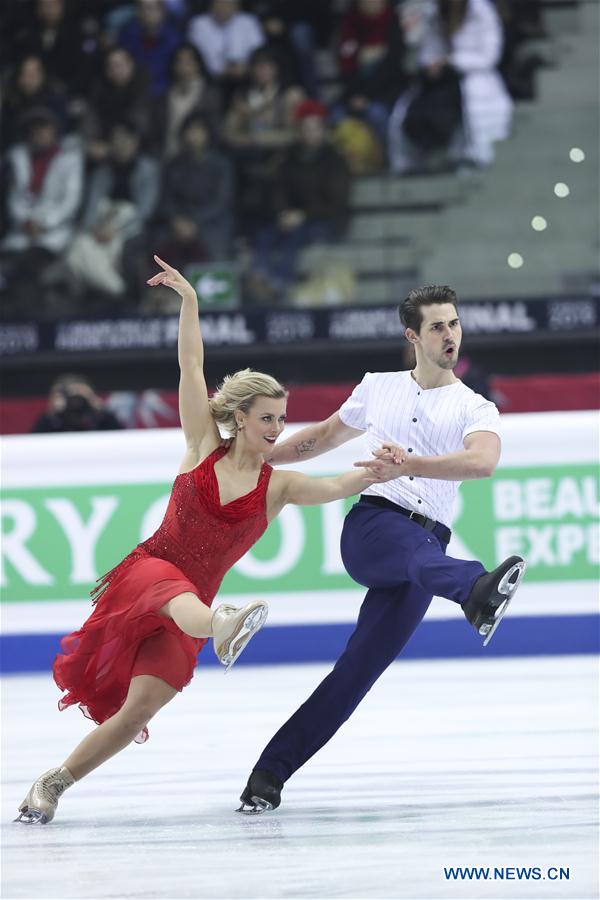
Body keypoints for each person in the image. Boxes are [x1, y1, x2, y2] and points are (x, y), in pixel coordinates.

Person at [15, 255, 399, 826]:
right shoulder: (202, 445)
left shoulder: (280, 485)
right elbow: (190, 366)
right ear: (240, 417)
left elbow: (337, 483)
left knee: (139, 708)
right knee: (177, 592)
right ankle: (224, 626)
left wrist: (376, 472)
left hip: (192, 601)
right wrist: (190, 303)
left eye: (282, 419)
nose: (277, 430)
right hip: (148, 575)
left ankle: (53, 782)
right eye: (267, 418)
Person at [238, 283, 526, 814]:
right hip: (374, 528)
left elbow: (482, 463)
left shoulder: (475, 407)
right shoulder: (378, 387)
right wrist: (258, 462)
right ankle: (475, 591)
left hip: (427, 552)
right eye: (438, 326)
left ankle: (268, 774)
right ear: (413, 335)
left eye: (455, 324)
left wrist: (409, 463)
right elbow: (322, 438)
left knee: (356, 673)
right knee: (418, 553)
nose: (450, 335)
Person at [388, 0, 513, 172]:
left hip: (475, 79)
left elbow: (489, 56)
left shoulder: (481, 10)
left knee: (474, 116)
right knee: (408, 111)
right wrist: (432, 64)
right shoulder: (433, 11)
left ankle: (468, 158)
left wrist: (452, 61)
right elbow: (427, 51)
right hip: (441, 82)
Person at [32, 374, 123, 433]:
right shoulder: (53, 421)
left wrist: (101, 411)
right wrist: (52, 415)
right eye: (69, 396)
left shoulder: (100, 419)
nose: (75, 401)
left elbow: (121, 439)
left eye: (81, 395)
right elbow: (34, 442)